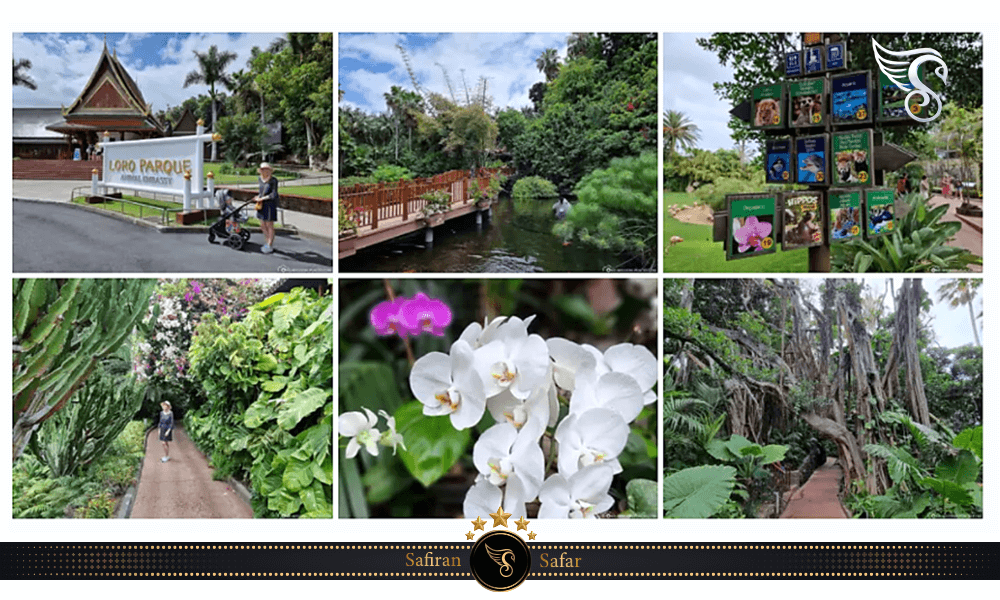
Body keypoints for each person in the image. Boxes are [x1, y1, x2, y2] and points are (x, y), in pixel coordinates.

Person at [252, 162, 279, 254]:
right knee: (262, 225)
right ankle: (267, 241)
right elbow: (261, 191)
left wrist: (262, 198)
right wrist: (257, 197)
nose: (265, 171)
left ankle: (270, 244)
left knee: (269, 225)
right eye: (263, 169)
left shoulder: (273, 180)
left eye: (267, 169)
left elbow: (273, 194)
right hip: (261, 204)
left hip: (270, 204)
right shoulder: (260, 179)